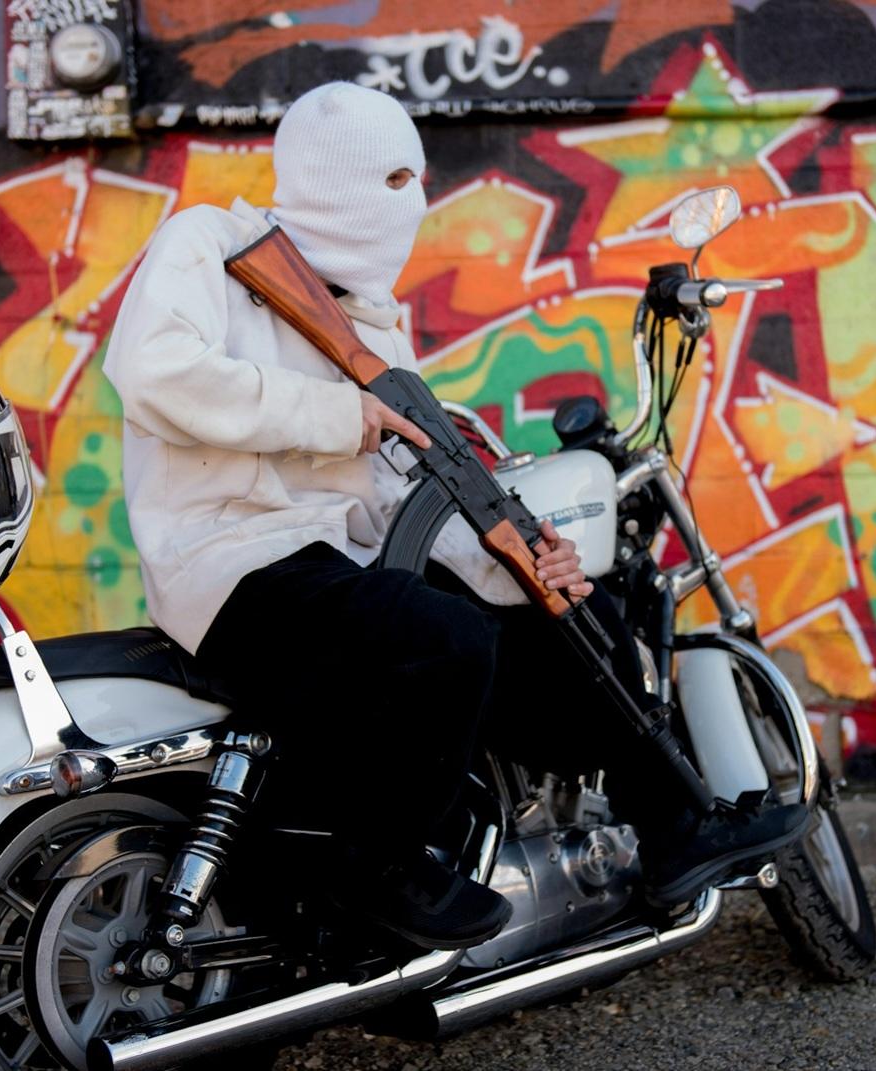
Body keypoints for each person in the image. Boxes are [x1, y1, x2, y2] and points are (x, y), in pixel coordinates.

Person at [103, 82, 806, 951]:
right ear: (337, 181)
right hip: (231, 565)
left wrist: (517, 563)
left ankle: (670, 828)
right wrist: (336, 416)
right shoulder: (213, 245)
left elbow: (410, 494)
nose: (415, 201)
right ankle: (374, 870)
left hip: (351, 565)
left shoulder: (368, 320)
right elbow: (154, 372)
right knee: (441, 637)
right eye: (396, 178)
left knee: (574, 619)